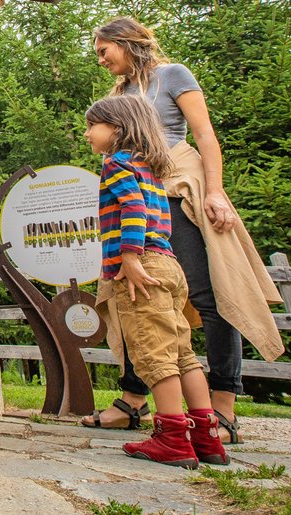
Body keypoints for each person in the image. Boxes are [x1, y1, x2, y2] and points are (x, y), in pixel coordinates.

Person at [85, 17, 283, 442]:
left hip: (178, 189)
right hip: (142, 186)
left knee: (211, 294)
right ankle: (133, 400)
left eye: (104, 51)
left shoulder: (174, 76)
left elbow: (204, 134)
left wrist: (216, 192)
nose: (100, 60)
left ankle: (222, 409)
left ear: (126, 42)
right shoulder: (118, 95)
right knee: (134, 297)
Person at [85, 95, 229, 468]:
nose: (87, 133)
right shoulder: (151, 168)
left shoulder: (116, 164)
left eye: (92, 126)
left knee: (154, 353)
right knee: (184, 355)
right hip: (168, 263)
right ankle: (206, 435)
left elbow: (132, 208)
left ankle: (171, 439)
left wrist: (129, 256)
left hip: (141, 267)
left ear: (116, 129)